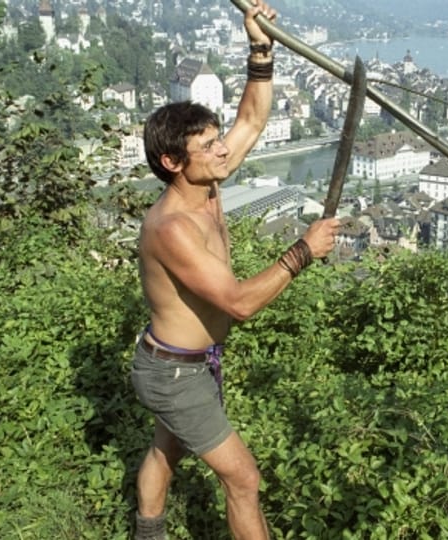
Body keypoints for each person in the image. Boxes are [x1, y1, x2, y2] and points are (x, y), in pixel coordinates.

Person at [130, 1, 340, 538]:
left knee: (167, 447)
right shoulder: (172, 227)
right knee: (243, 479)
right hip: (173, 372)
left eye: (217, 138)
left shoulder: (209, 181)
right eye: (208, 146)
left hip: (185, 362)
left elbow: (252, 117)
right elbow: (240, 303)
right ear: (173, 163)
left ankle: (145, 533)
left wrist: (259, 44)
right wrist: (302, 251)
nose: (224, 150)